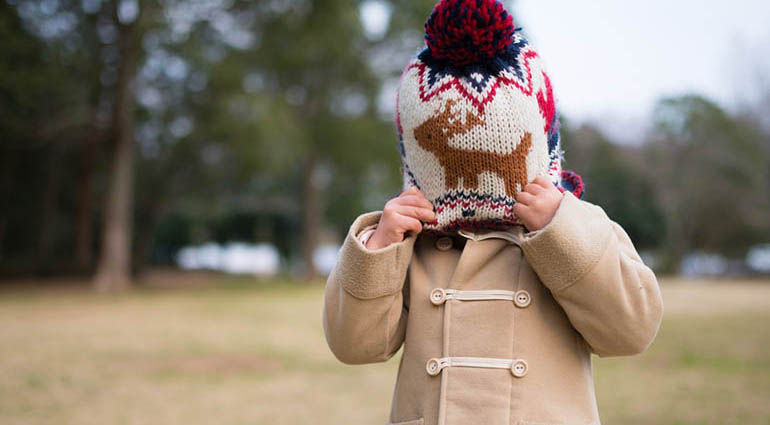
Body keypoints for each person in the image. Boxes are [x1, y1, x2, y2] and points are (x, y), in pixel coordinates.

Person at [322, 1, 663, 424]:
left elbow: (631, 331)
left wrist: (561, 229)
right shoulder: (410, 243)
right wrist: (377, 247)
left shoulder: (575, 229)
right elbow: (354, 346)